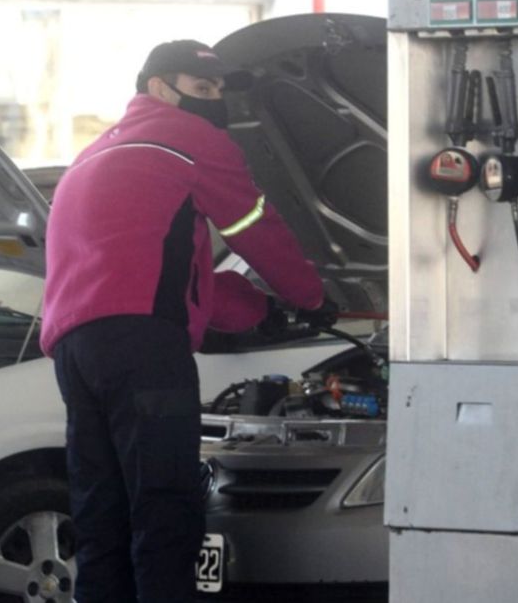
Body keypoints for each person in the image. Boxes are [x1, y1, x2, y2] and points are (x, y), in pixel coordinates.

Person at [41, 40, 331, 602]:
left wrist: (259, 309)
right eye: (202, 88)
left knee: (103, 515)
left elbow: (172, 278)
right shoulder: (190, 139)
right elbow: (254, 227)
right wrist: (311, 297)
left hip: (76, 353)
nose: (214, 101)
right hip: (143, 348)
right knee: (166, 510)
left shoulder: (95, 153)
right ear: (158, 88)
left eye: (219, 90)